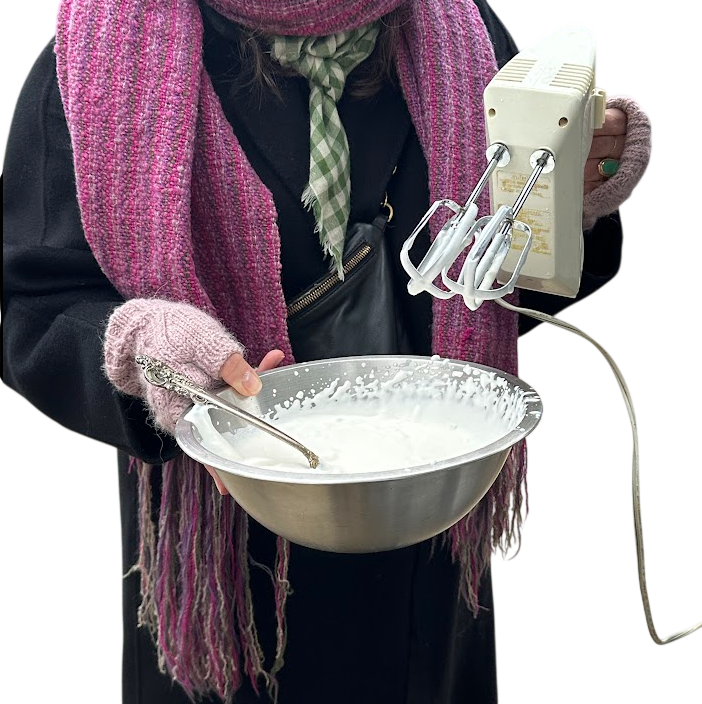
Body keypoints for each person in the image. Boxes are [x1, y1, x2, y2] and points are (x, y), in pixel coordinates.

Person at [3, 1, 650, 703]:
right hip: (230, 553)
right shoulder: (101, 58)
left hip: (429, 526)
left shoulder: (470, 36)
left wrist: (573, 204)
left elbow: (514, 294)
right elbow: (35, 310)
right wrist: (142, 341)